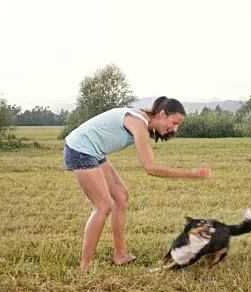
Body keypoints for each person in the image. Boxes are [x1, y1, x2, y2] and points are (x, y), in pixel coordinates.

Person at [63, 96, 211, 270]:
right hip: (80, 150)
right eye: (174, 122)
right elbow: (151, 168)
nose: (175, 129)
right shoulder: (138, 123)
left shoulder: (142, 121)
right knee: (103, 206)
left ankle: (121, 255)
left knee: (121, 196)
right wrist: (192, 174)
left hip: (94, 152)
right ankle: (84, 267)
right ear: (162, 114)